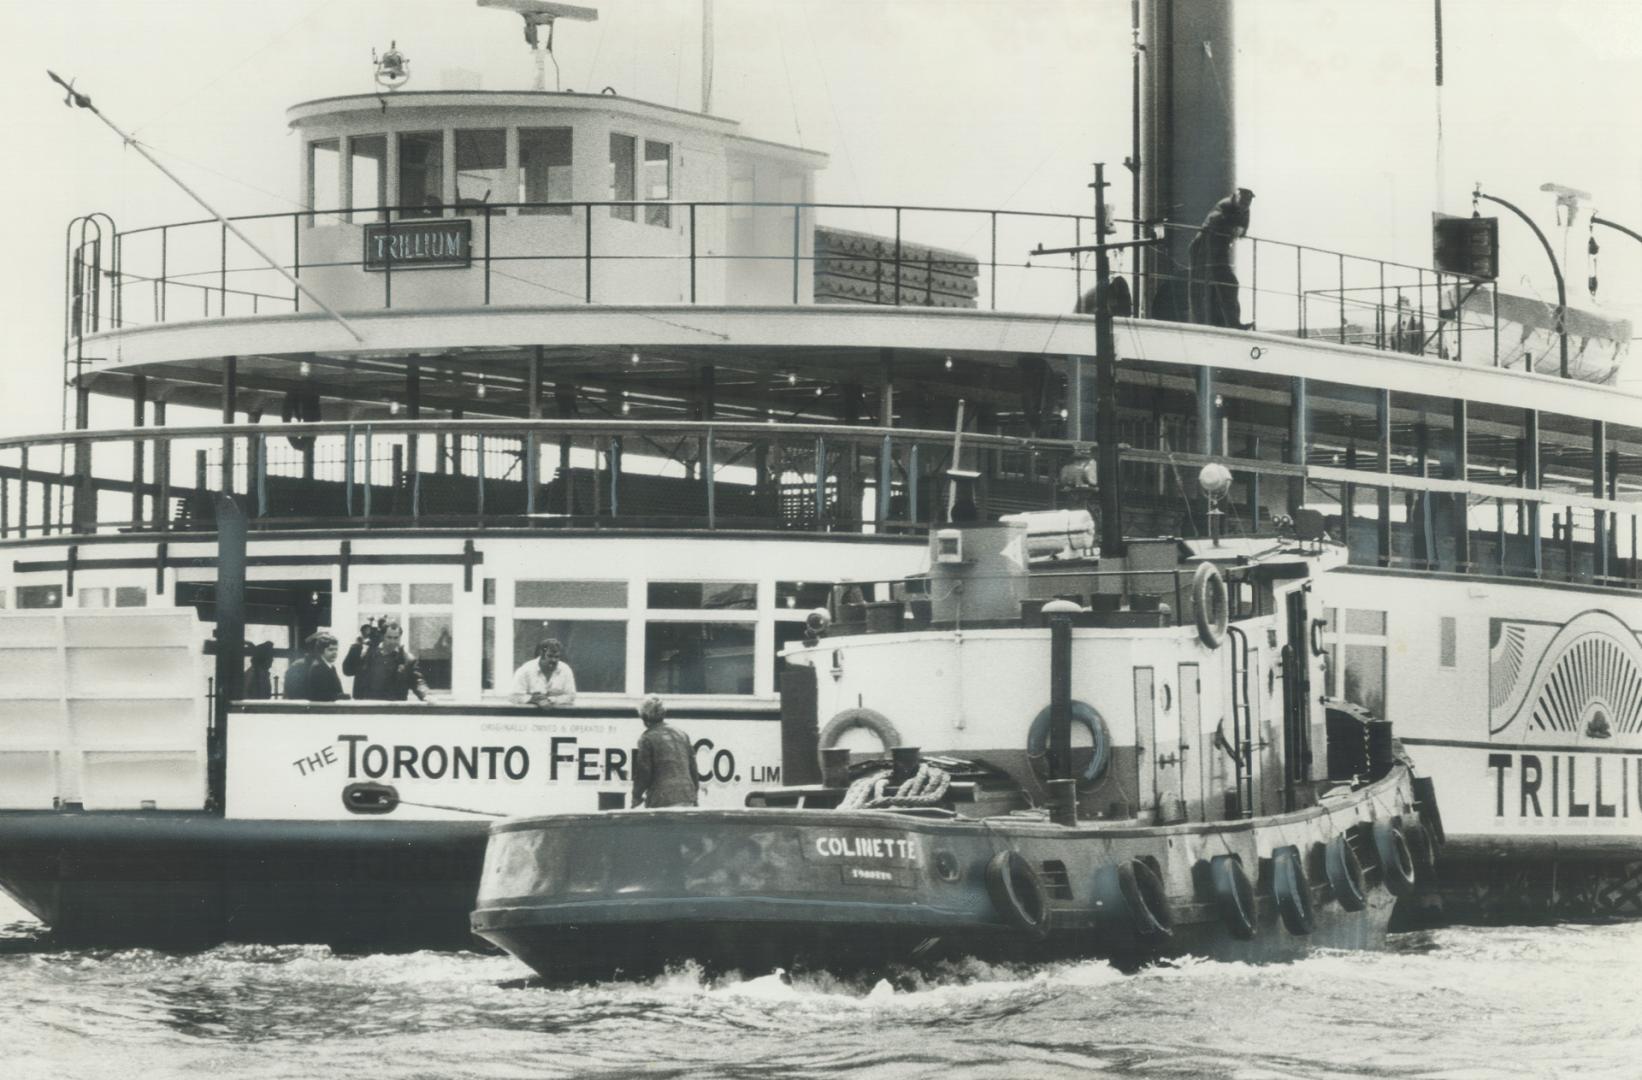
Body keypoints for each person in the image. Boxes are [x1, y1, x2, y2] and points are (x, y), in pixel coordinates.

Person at [1188, 187, 1254, 329]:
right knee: (1199, 286)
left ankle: (1233, 323)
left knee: (1230, 284)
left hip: (1219, 251)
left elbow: (1242, 231)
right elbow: (1215, 223)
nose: (1245, 205)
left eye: (1247, 203)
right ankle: (1198, 323)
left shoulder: (1245, 210)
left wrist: (1236, 229)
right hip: (1203, 248)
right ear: (1236, 197)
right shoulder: (1225, 205)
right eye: (1242, 201)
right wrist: (1233, 228)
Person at [630, 695, 699, 808]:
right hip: (687, 796)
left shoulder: (647, 738)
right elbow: (693, 769)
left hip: (663, 798)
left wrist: (636, 796)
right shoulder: (682, 735)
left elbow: (644, 772)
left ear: (644, 717)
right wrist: (694, 796)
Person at [343, 619, 430, 701]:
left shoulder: (407, 660)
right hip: (366, 708)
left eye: (396, 638)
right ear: (382, 636)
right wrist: (356, 646)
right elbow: (348, 671)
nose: (392, 641)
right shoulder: (367, 654)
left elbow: (418, 682)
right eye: (389, 637)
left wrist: (426, 695)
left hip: (392, 711)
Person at [510, 638, 577, 708]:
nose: (554, 660)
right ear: (541, 655)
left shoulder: (565, 670)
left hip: (558, 715)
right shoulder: (525, 670)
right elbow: (514, 696)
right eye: (550, 656)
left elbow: (571, 696)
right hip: (530, 715)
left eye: (557, 657)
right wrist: (532, 699)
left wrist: (551, 700)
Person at [302, 632, 348, 703]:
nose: (335, 652)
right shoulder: (318, 668)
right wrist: (341, 697)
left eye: (336, 649)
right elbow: (320, 696)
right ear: (321, 651)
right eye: (330, 649)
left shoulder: (330, 667)